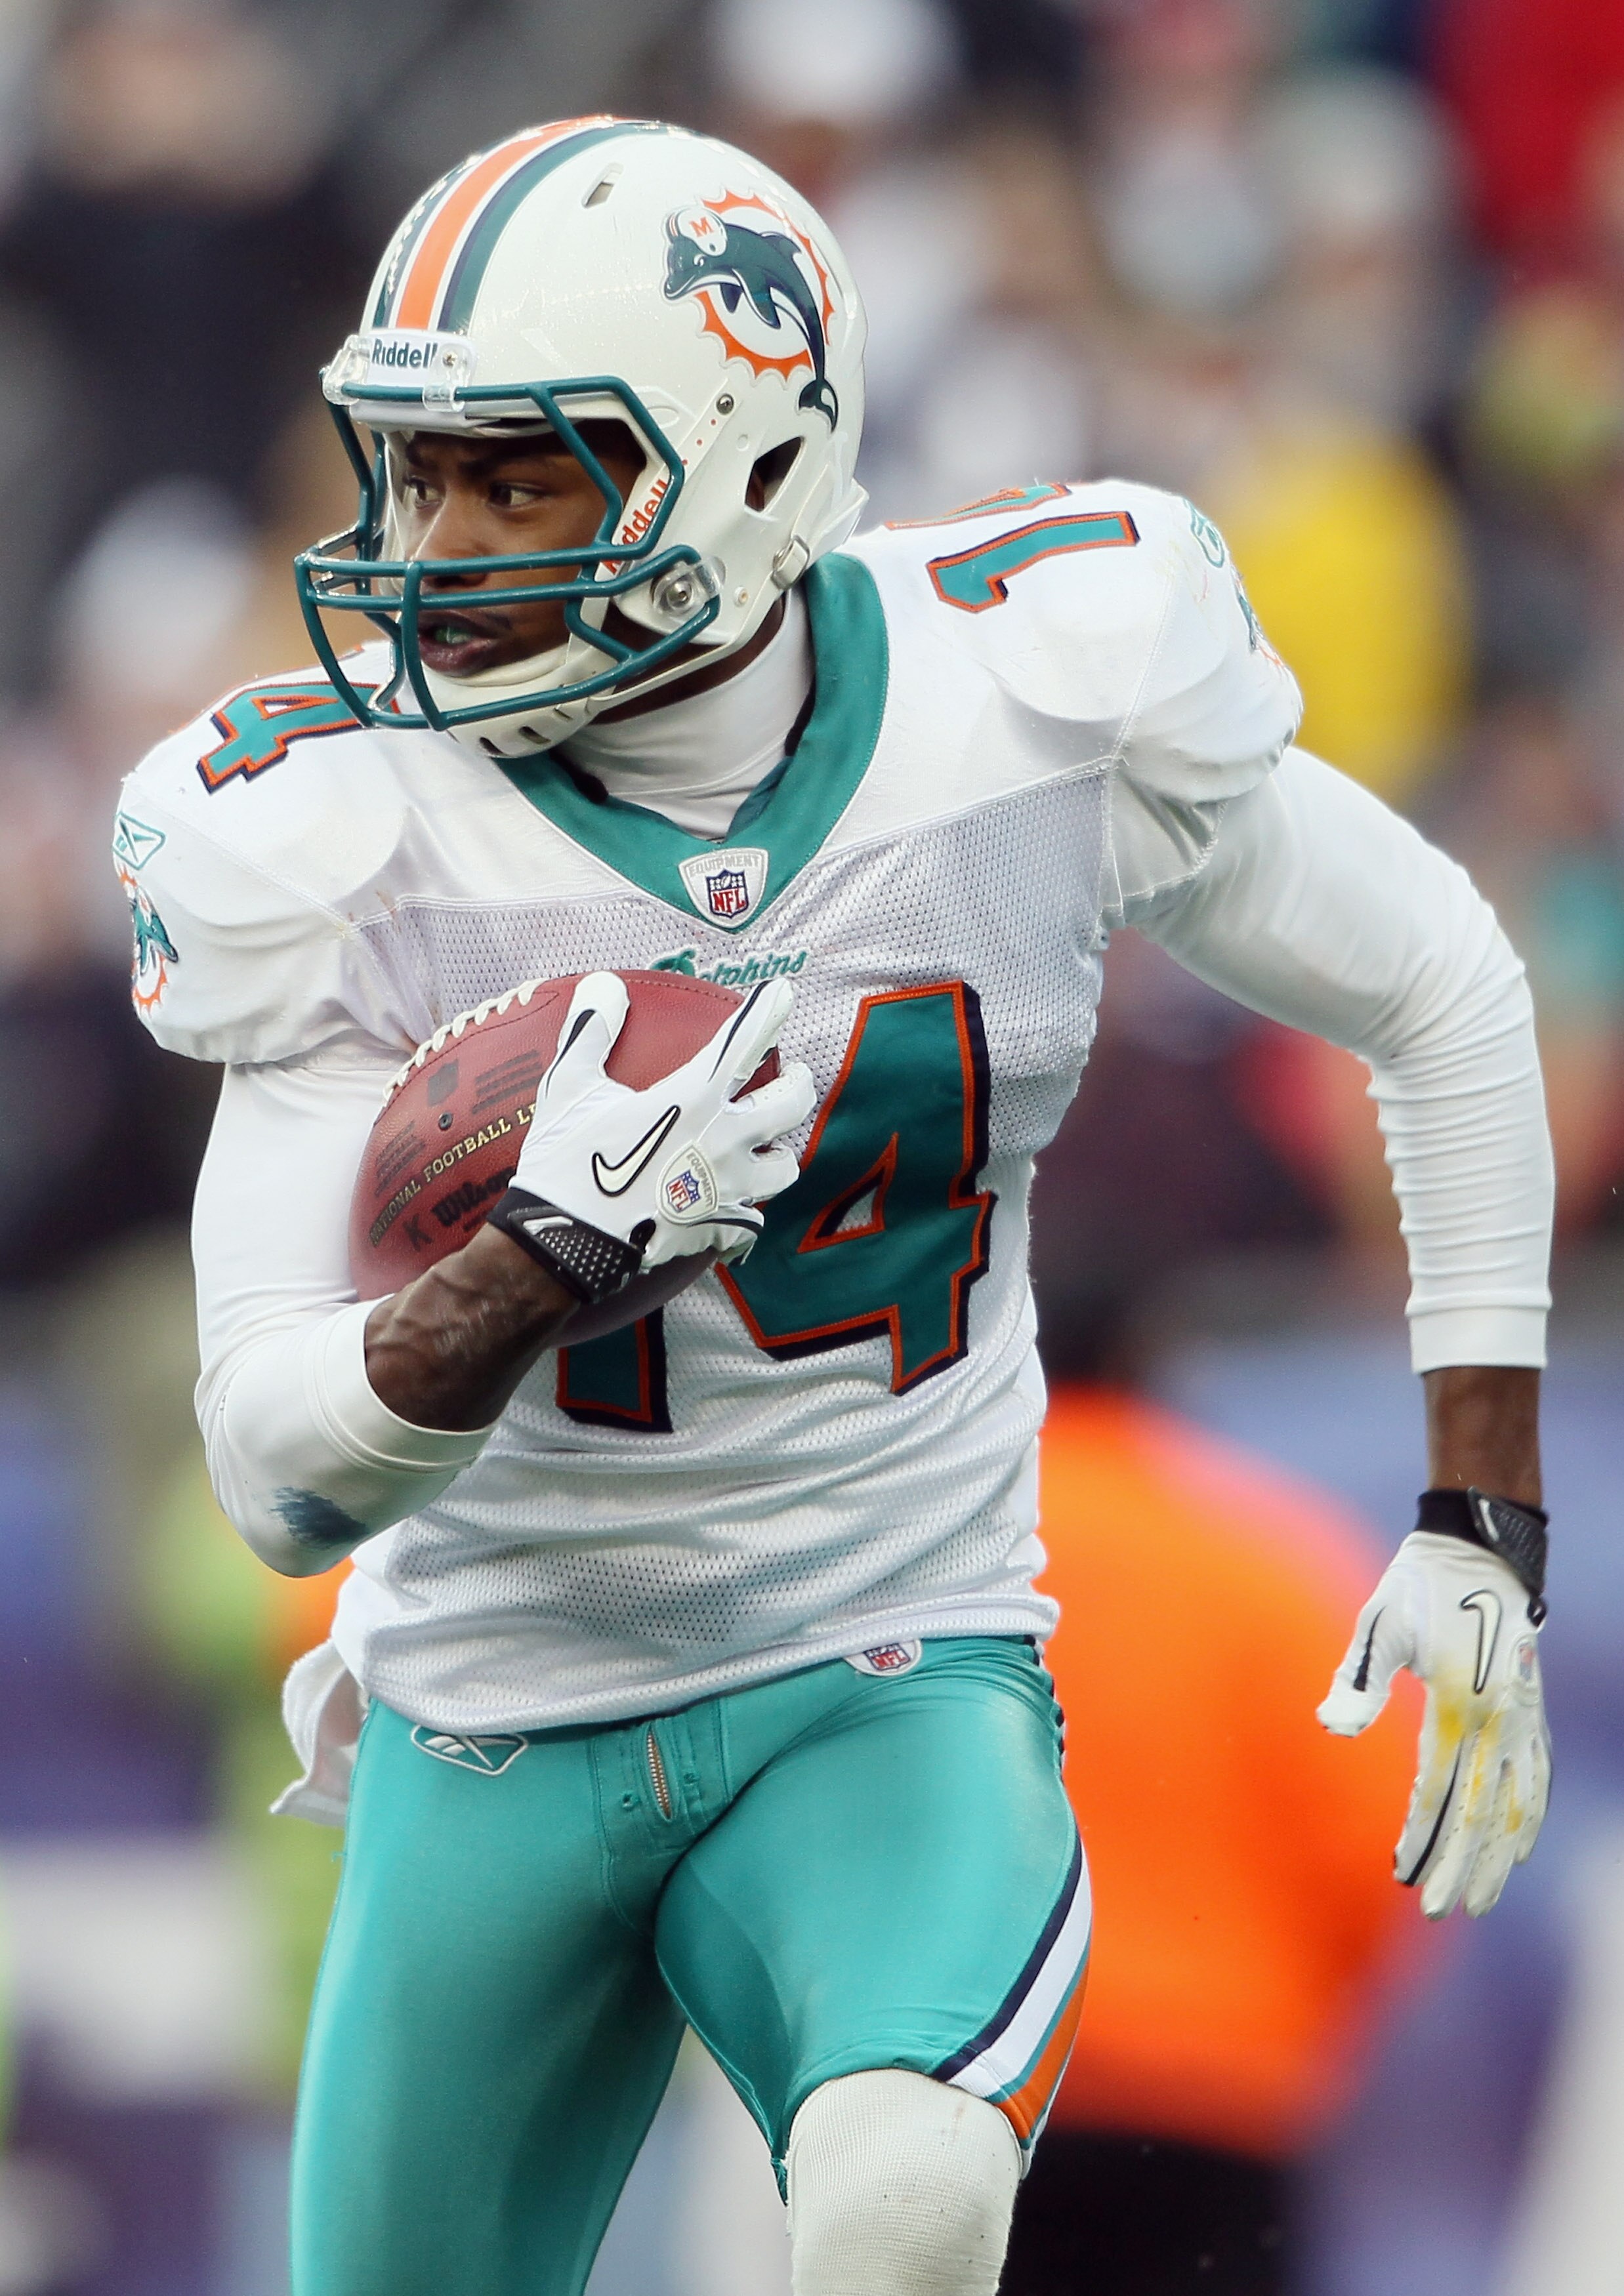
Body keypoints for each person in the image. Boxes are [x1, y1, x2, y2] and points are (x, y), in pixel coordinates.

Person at [114, 117, 1554, 2296]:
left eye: (519, 478)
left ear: (748, 463)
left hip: (877, 1667)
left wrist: (1478, 1511)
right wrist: (537, 1264)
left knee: (902, 2207)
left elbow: (1439, 980)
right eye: (409, 471)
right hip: (495, 1701)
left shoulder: (1025, 701)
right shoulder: (345, 831)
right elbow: (276, 1474)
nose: (431, 544)